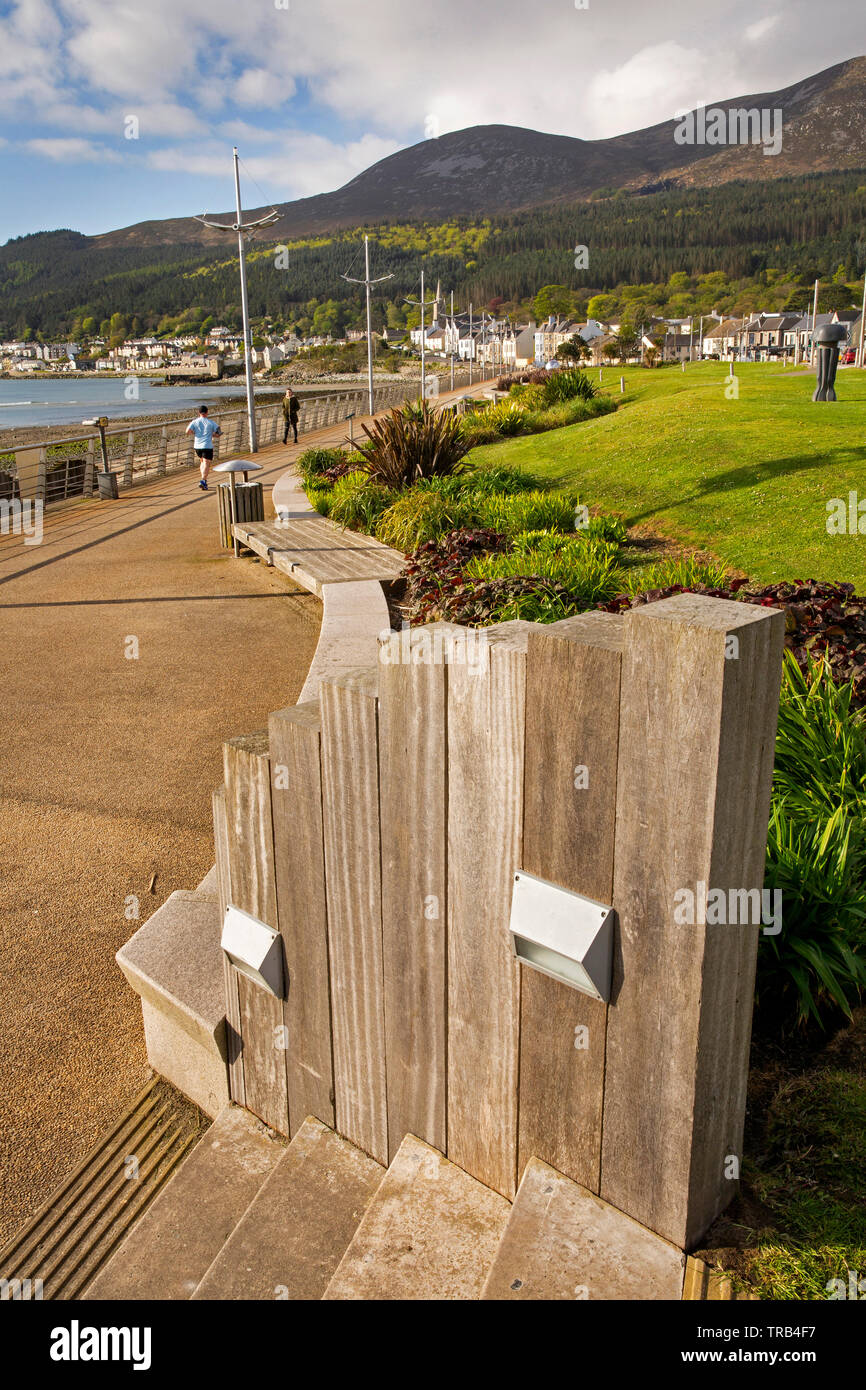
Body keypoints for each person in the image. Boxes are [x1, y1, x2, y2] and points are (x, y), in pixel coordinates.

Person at [186, 406, 221, 489]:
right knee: (206, 463)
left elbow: (187, 431)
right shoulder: (211, 422)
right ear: (207, 412)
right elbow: (219, 432)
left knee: (202, 461)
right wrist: (214, 435)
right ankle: (203, 480)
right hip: (207, 445)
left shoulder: (194, 422)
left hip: (197, 446)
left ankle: (203, 480)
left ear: (199, 413)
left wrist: (194, 432)